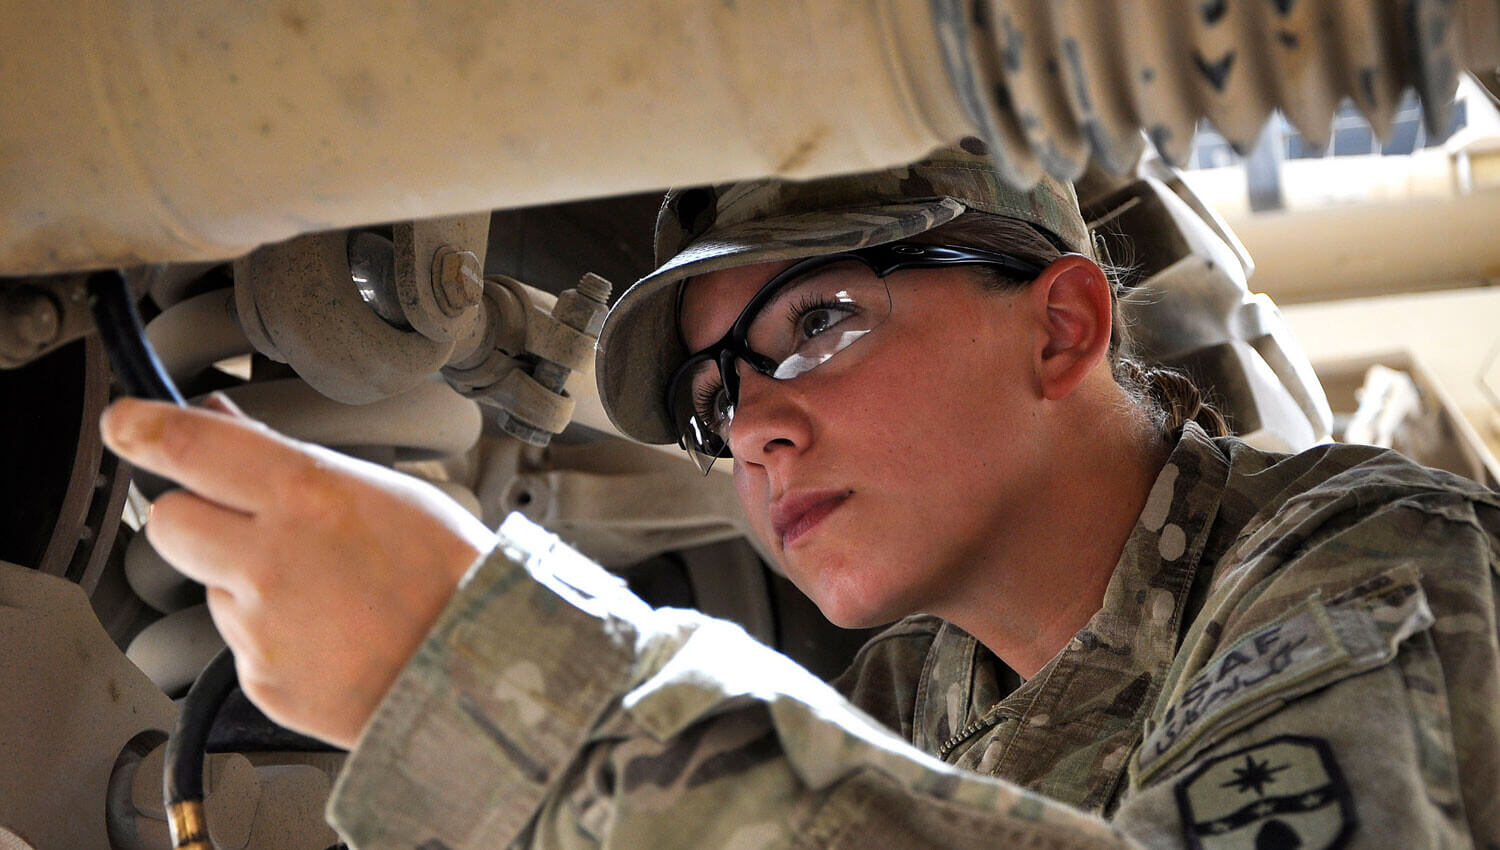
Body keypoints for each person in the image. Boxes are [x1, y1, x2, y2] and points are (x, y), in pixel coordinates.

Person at [100, 140, 1500, 849]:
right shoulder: (911, 698)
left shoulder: (1366, 562)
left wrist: (499, 683)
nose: (753, 424)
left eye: (818, 320)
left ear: (1064, 328)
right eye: (715, 397)